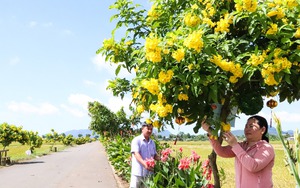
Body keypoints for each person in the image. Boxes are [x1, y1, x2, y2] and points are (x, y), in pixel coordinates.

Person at [202, 115, 275, 188]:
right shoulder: (242, 146)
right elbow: (221, 151)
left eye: (251, 126)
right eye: (246, 126)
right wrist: (210, 131)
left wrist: (234, 145)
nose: (247, 129)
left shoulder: (266, 148)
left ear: (262, 130)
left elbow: (253, 166)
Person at [130, 122, 159, 188]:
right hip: (138, 172)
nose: (150, 131)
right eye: (148, 129)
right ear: (142, 129)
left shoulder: (152, 142)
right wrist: (145, 164)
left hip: (149, 173)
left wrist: (162, 158)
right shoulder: (136, 140)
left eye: (151, 129)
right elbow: (136, 154)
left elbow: (154, 155)